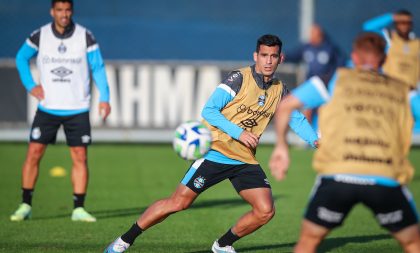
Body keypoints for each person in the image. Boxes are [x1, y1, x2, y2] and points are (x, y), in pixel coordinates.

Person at [104, 34, 318, 253]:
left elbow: (296, 118)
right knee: (179, 203)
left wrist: (316, 140)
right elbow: (209, 110)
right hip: (215, 152)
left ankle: (223, 244)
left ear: (281, 58)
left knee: (265, 211)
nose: (268, 61)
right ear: (256, 56)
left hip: (244, 159)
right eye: (264, 55)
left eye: (273, 56)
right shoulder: (239, 79)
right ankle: (124, 240)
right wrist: (239, 133)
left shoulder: (280, 90)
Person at [270, 32, 420, 253]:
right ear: (385, 60)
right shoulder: (403, 88)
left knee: (309, 240)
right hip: (384, 175)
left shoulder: (334, 78)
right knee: (412, 243)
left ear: (354, 58)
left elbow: (285, 106)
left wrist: (281, 147)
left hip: (338, 174)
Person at [10, 0, 111, 222]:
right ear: (52, 12)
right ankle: (25, 204)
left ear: (71, 11)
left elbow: (98, 67)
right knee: (34, 153)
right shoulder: (40, 35)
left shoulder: (85, 36)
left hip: (77, 108)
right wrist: (31, 85)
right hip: (48, 108)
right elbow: (21, 58)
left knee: (80, 156)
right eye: (59, 10)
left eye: (67, 10)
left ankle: (79, 208)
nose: (64, 14)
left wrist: (105, 98)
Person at [363, 10, 420, 134]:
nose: (404, 25)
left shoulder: (416, 43)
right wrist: (391, 17)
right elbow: (367, 27)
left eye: (407, 22)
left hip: (411, 92)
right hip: (391, 91)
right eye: (401, 22)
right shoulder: (389, 38)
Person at [286, 24, 346, 131]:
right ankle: (306, 139)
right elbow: (294, 56)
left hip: (325, 86)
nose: (311, 36)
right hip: (310, 84)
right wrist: (282, 56)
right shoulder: (307, 47)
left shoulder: (330, 48)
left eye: (313, 33)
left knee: (323, 111)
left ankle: (322, 135)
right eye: (310, 33)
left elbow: (341, 63)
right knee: (307, 109)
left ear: (320, 34)